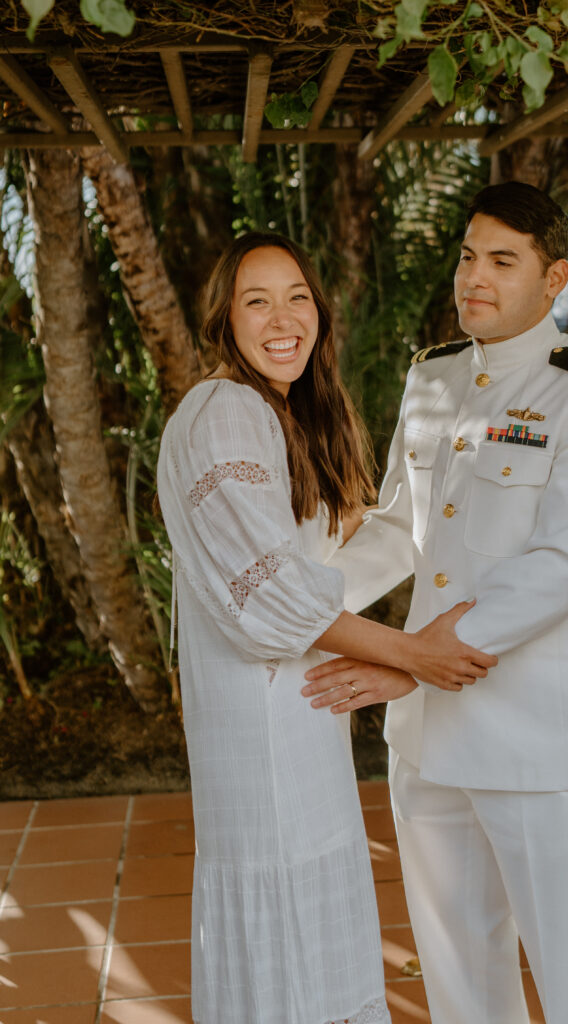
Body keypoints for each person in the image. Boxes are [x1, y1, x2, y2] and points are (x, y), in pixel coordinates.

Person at [302, 183, 568, 1024]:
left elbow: (562, 566)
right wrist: (300, 602)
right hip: (429, 740)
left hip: (537, 735)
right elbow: (395, 529)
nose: (474, 278)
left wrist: (409, 664)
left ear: (553, 276)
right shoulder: (432, 378)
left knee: (566, 966)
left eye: (502, 261)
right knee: (455, 963)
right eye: (466, 257)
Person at [156, 232, 496, 1024]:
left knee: (308, 909)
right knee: (281, 916)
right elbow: (272, 597)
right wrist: (412, 654)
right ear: (223, 323)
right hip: (263, 718)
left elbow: (323, 571)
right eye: (256, 300)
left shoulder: (281, 413)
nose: (283, 318)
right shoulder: (225, 411)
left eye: (297, 296)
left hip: (299, 706)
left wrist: (429, 507)